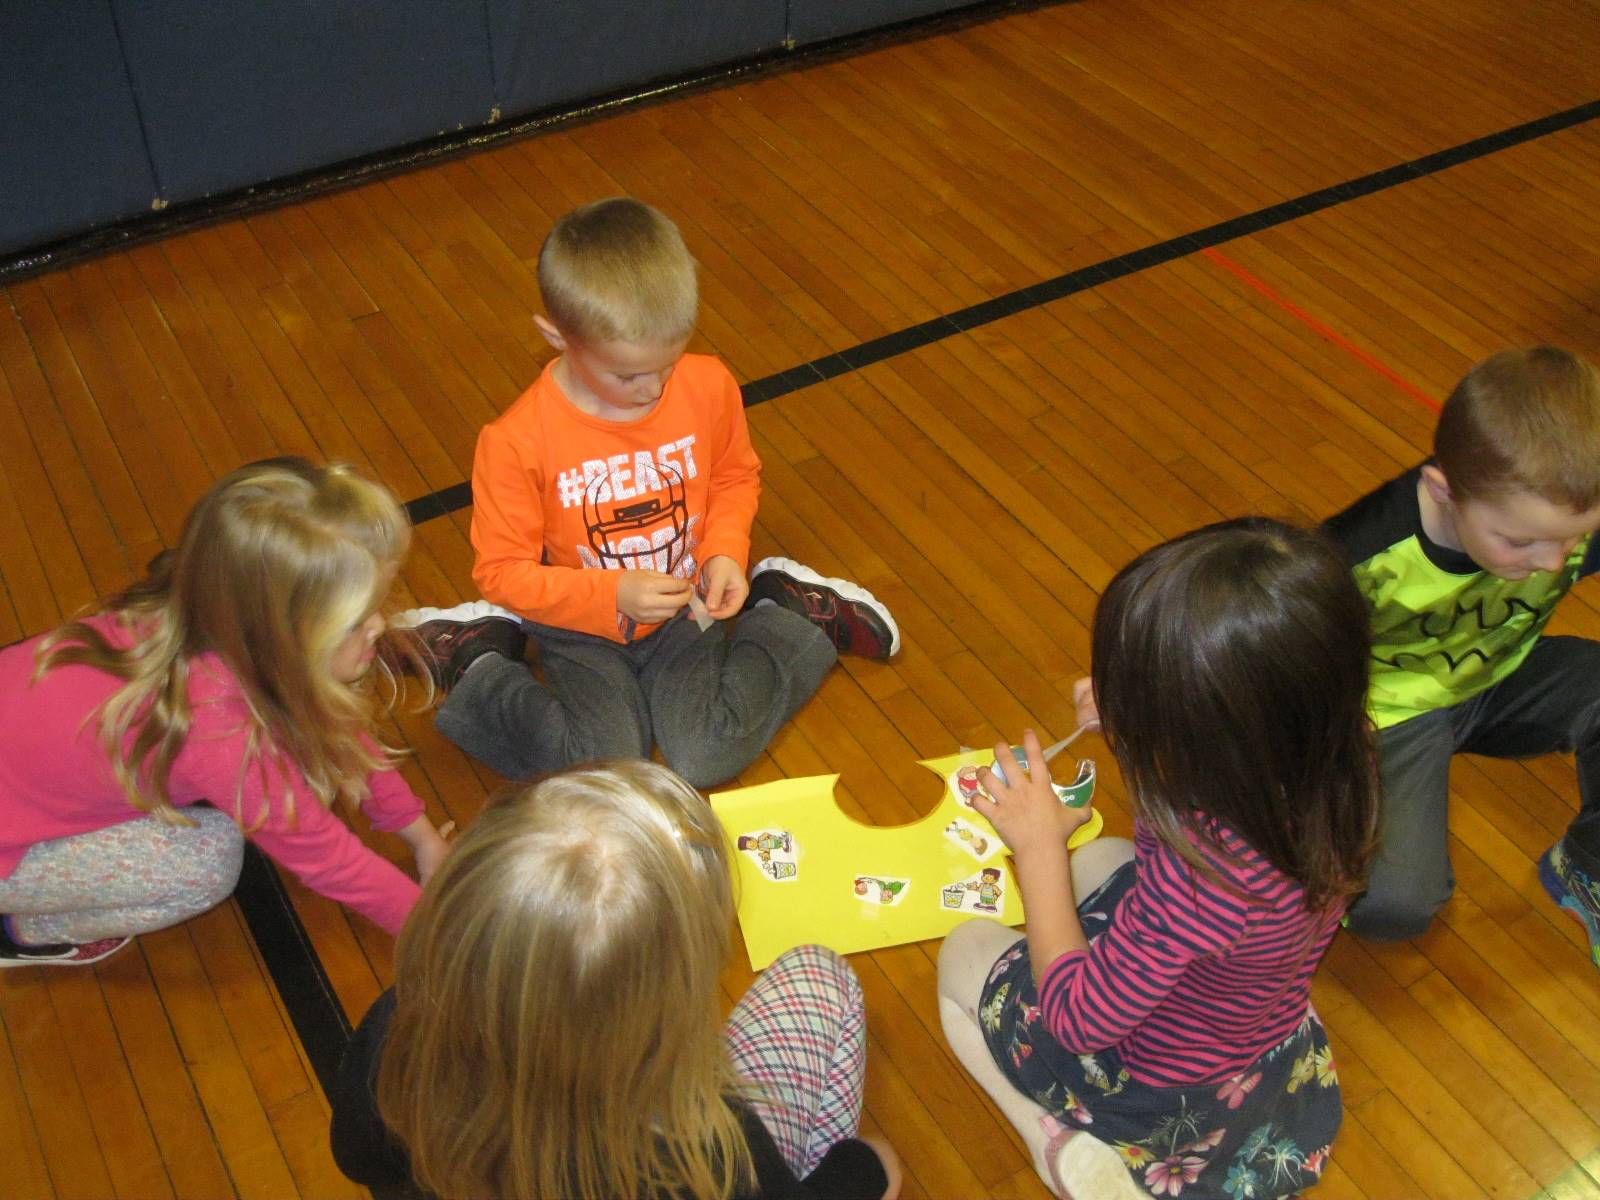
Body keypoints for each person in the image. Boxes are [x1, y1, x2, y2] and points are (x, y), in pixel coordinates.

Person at [938, 518, 1380, 1199]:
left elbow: (1078, 1018)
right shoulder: (1343, 751)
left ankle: (1056, 1141)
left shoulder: (1201, 871)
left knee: (966, 952)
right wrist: (1135, 713)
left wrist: (1039, 849)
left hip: (1161, 1079)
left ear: (1197, 733)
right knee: (1109, 856)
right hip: (1258, 1020)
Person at [391, 196, 899, 789]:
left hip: (687, 606)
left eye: (669, 363)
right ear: (556, 336)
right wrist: (613, 594)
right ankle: (475, 658)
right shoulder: (515, 442)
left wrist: (725, 552)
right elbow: (504, 573)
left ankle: (790, 614)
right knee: (609, 771)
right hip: (578, 623)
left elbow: (735, 476)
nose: (653, 388)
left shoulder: (707, 384)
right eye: (627, 374)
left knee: (705, 759)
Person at [328, 760, 901, 1200]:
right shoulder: (703, 1146)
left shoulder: (396, 1030)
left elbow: (356, 1157)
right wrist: (870, 1171)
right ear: (661, 1004)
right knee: (821, 976)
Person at [0, 458, 452, 967]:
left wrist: (421, 836)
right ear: (281, 635)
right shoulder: (218, 733)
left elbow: (334, 730)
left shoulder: (210, 616)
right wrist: (445, 937)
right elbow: (333, 864)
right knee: (206, 865)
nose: (378, 625)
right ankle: (18, 931)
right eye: (352, 621)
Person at [1324, 346, 1600, 953]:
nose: (1554, 564)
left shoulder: (1563, 512)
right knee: (1393, 911)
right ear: (1443, 491)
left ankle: (1588, 866)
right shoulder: (1354, 557)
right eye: (1522, 542)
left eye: (1573, 541)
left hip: (1502, 673)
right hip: (1390, 716)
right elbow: (1244, 640)